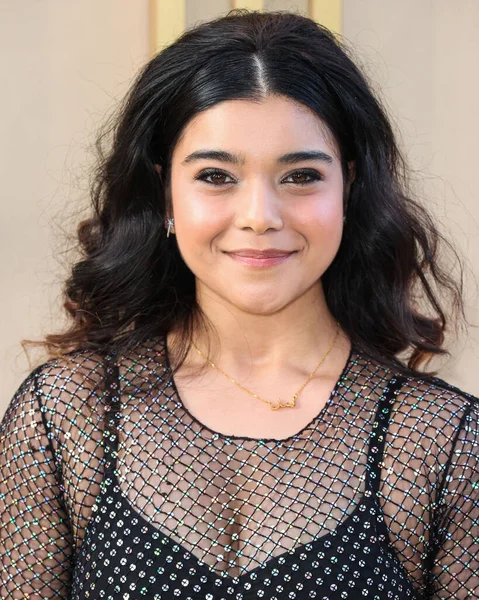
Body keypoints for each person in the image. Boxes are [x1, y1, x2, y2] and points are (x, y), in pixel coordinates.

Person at [1, 8, 477, 599]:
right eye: (216, 177)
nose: (259, 217)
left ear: (349, 188)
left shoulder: (440, 441)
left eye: (301, 176)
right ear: (165, 191)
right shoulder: (69, 416)